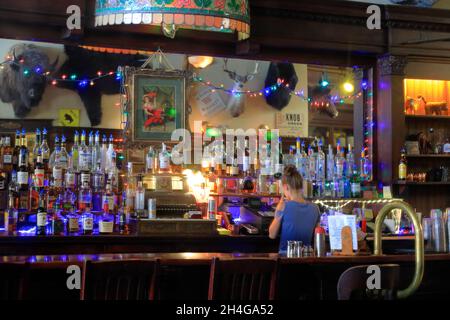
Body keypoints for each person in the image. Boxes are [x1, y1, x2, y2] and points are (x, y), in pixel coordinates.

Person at [269, 165, 320, 253]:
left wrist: (279, 211)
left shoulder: (283, 206)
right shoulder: (315, 208)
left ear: (286, 187)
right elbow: (318, 236)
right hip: (306, 258)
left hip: (286, 259)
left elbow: (272, 234)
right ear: (301, 186)